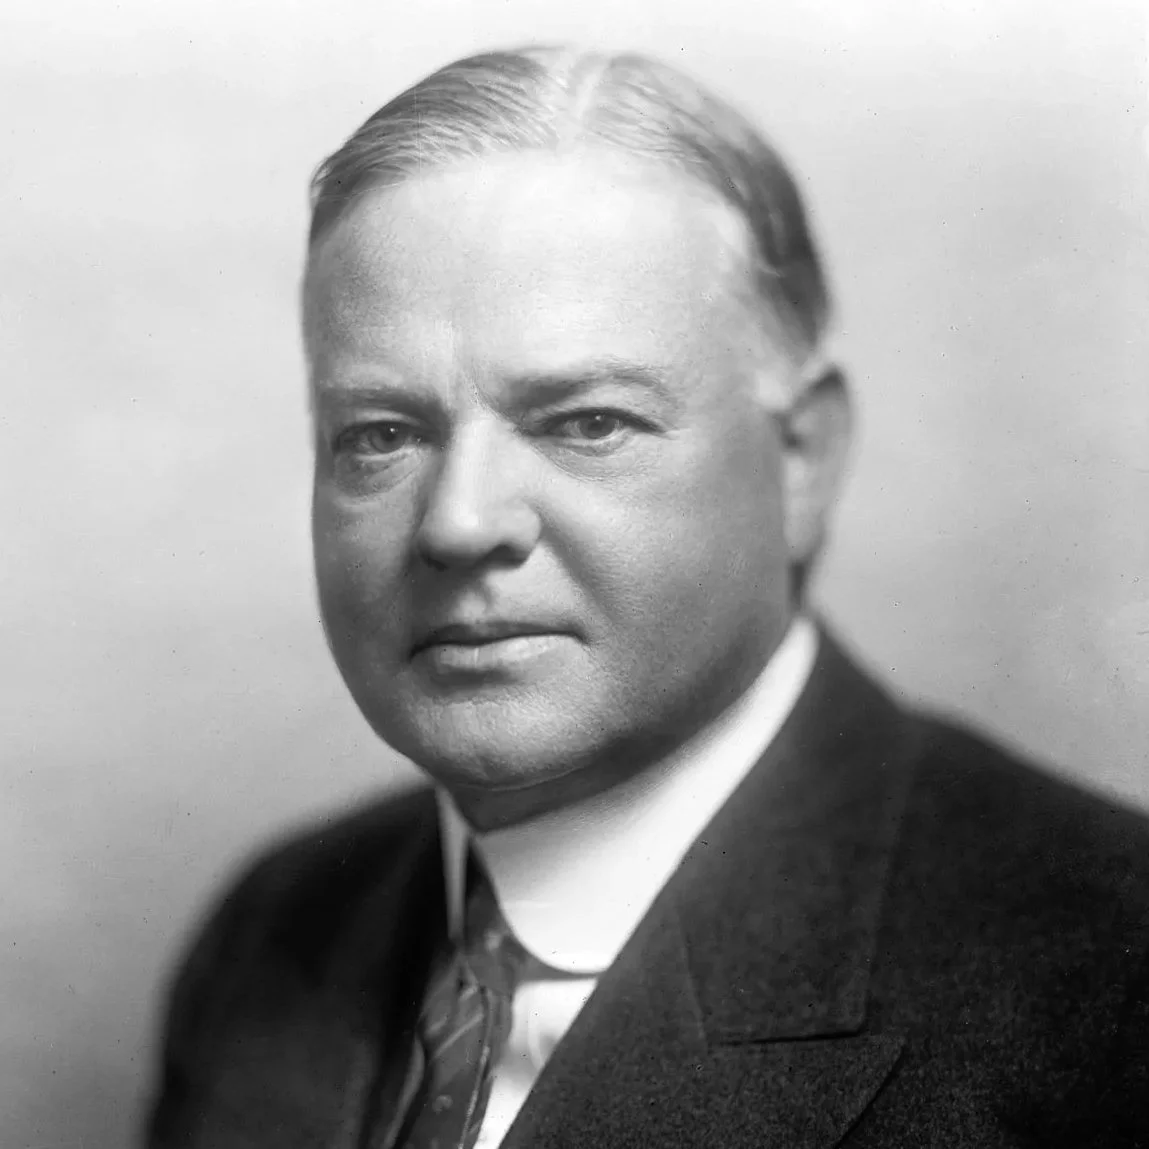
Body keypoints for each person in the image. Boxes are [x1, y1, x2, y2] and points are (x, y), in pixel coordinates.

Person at [144, 45, 1149, 1148]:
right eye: (381, 435)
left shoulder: (1112, 984)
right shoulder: (276, 932)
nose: (458, 521)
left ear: (803, 458)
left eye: (588, 422)